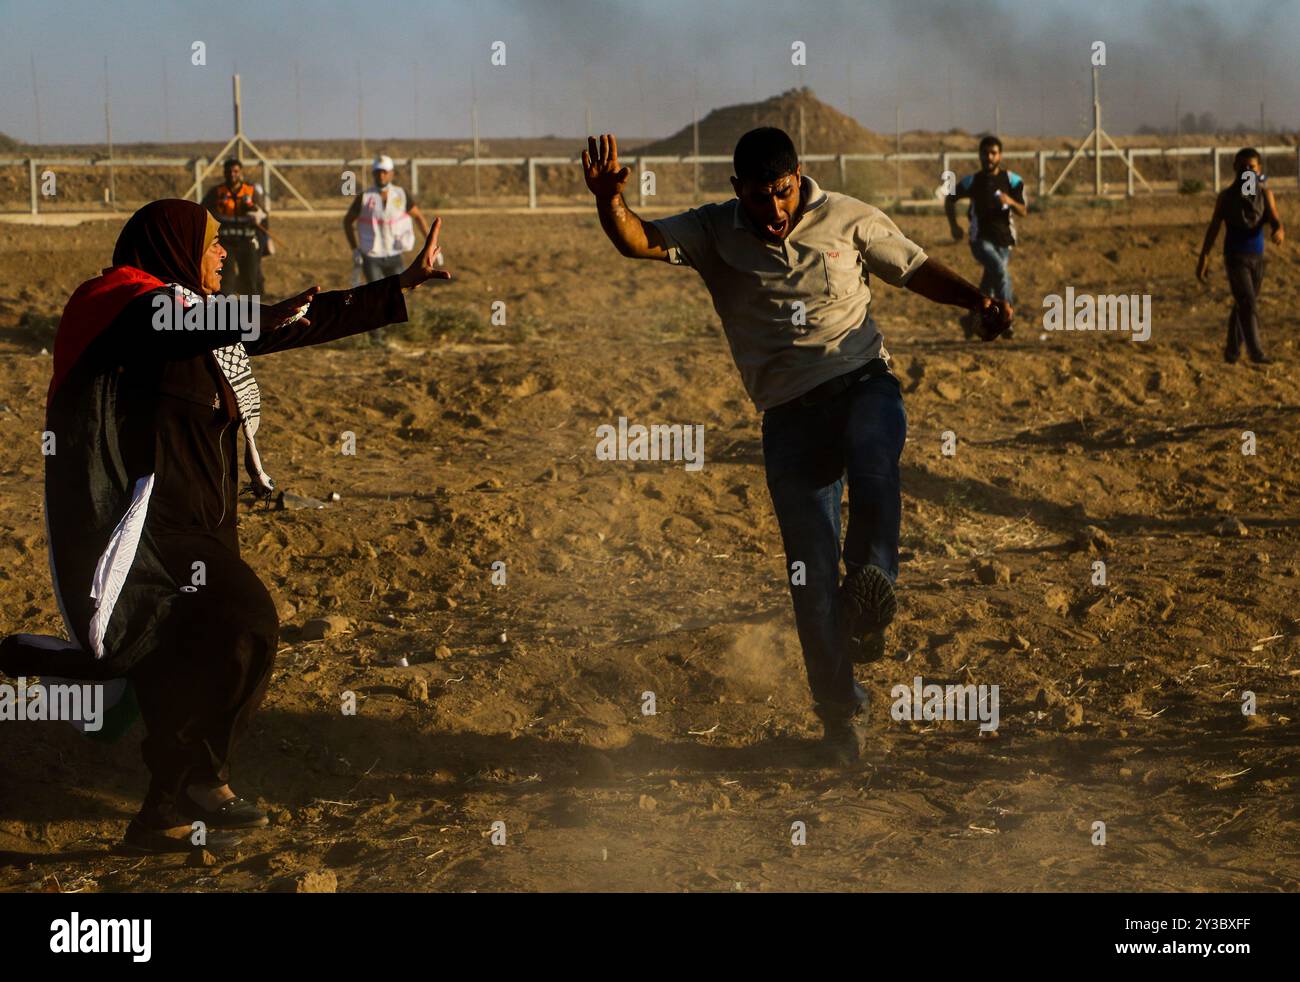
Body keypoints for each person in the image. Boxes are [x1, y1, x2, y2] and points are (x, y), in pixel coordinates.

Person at [0, 199, 450, 853]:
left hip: (211, 525)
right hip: (149, 530)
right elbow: (173, 324)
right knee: (249, 626)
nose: (221, 253)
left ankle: (162, 815)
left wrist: (397, 288)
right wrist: (253, 314)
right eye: (211, 243)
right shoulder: (118, 303)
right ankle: (201, 778)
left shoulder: (196, 323)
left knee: (173, 664)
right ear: (173, 245)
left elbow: (287, 325)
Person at [581, 129, 1012, 764]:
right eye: (760, 199)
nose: (775, 210)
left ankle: (871, 586)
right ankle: (840, 718)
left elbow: (915, 269)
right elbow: (638, 239)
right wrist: (608, 201)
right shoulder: (712, 232)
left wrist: (979, 300)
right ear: (738, 193)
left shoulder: (849, 217)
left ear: (799, 177)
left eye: (783, 194)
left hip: (863, 382)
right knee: (808, 579)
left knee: (874, 460)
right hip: (787, 419)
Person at [1197, 147, 1286, 364]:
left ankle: (1232, 351)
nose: (1247, 171)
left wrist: (1279, 229)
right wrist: (1204, 257)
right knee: (1247, 303)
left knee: (1244, 303)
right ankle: (1255, 352)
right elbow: (1214, 226)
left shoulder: (1265, 195)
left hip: (1257, 257)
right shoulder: (1226, 197)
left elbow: (1274, 217)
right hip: (1235, 257)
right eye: (1243, 167)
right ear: (1235, 168)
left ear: (1259, 169)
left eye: (1252, 167)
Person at [945, 135, 1026, 339]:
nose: (989, 157)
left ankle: (970, 319)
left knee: (988, 285)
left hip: (1005, 241)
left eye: (993, 153)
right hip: (980, 240)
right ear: (980, 155)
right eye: (985, 153)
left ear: (1000, 155)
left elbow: (1023, 210)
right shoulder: (973, 181)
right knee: (1000, 272)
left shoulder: (1012, 180)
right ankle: (1007, 321)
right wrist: (954, 226)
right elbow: (950, 199)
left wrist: (1010, 202)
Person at [345, 155, 431, 345]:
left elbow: (418, 216)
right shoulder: (365, 198)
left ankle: (397, 331)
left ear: (391, 173)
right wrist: (355, 250)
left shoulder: (401, 195)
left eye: (384, 172)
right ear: (373, 174)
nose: (381, 176)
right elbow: (347, 222)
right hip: (372, 255)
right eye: (377, 172)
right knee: (374, 296)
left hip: (394, 254)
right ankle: (376, 338)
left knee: (399, 293)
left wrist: (430, 243)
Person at [202, 158, 266, 296]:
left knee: (250, 278)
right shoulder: (216, 192)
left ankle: (251, 314)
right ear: (224, 173)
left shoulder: (251, 191)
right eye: (229, 171)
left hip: (248, 240)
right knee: (226, 280)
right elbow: (203, 211)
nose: (232, 174)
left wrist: (256, 214)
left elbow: (264, 216)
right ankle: (226, 313)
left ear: (241, 172)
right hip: (225, 242)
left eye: (235, 171)